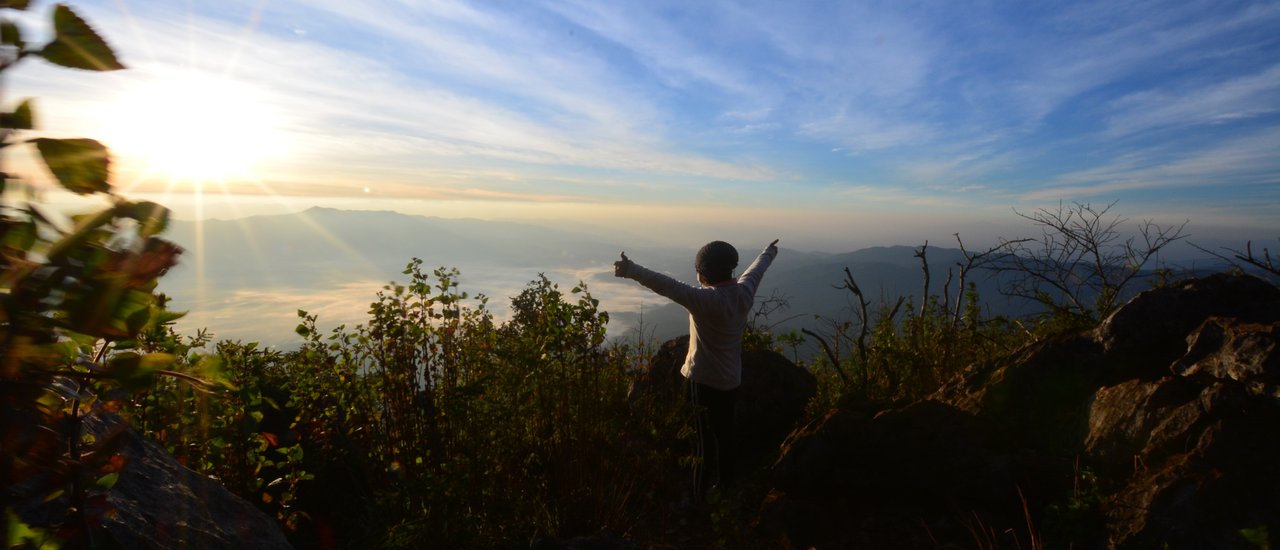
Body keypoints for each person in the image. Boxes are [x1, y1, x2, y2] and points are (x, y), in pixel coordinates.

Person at [613, 239, 779, 501]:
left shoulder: (704, 300)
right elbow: (756, 270)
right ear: (730, 269)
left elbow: (666, 285)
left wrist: (630, 270)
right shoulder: (744, 292)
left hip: (701, 382)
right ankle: (725, 488)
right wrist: (769, 252)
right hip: (730, 381)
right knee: (724, 436)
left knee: (701, 442)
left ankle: (697, 496)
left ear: (704, 272)